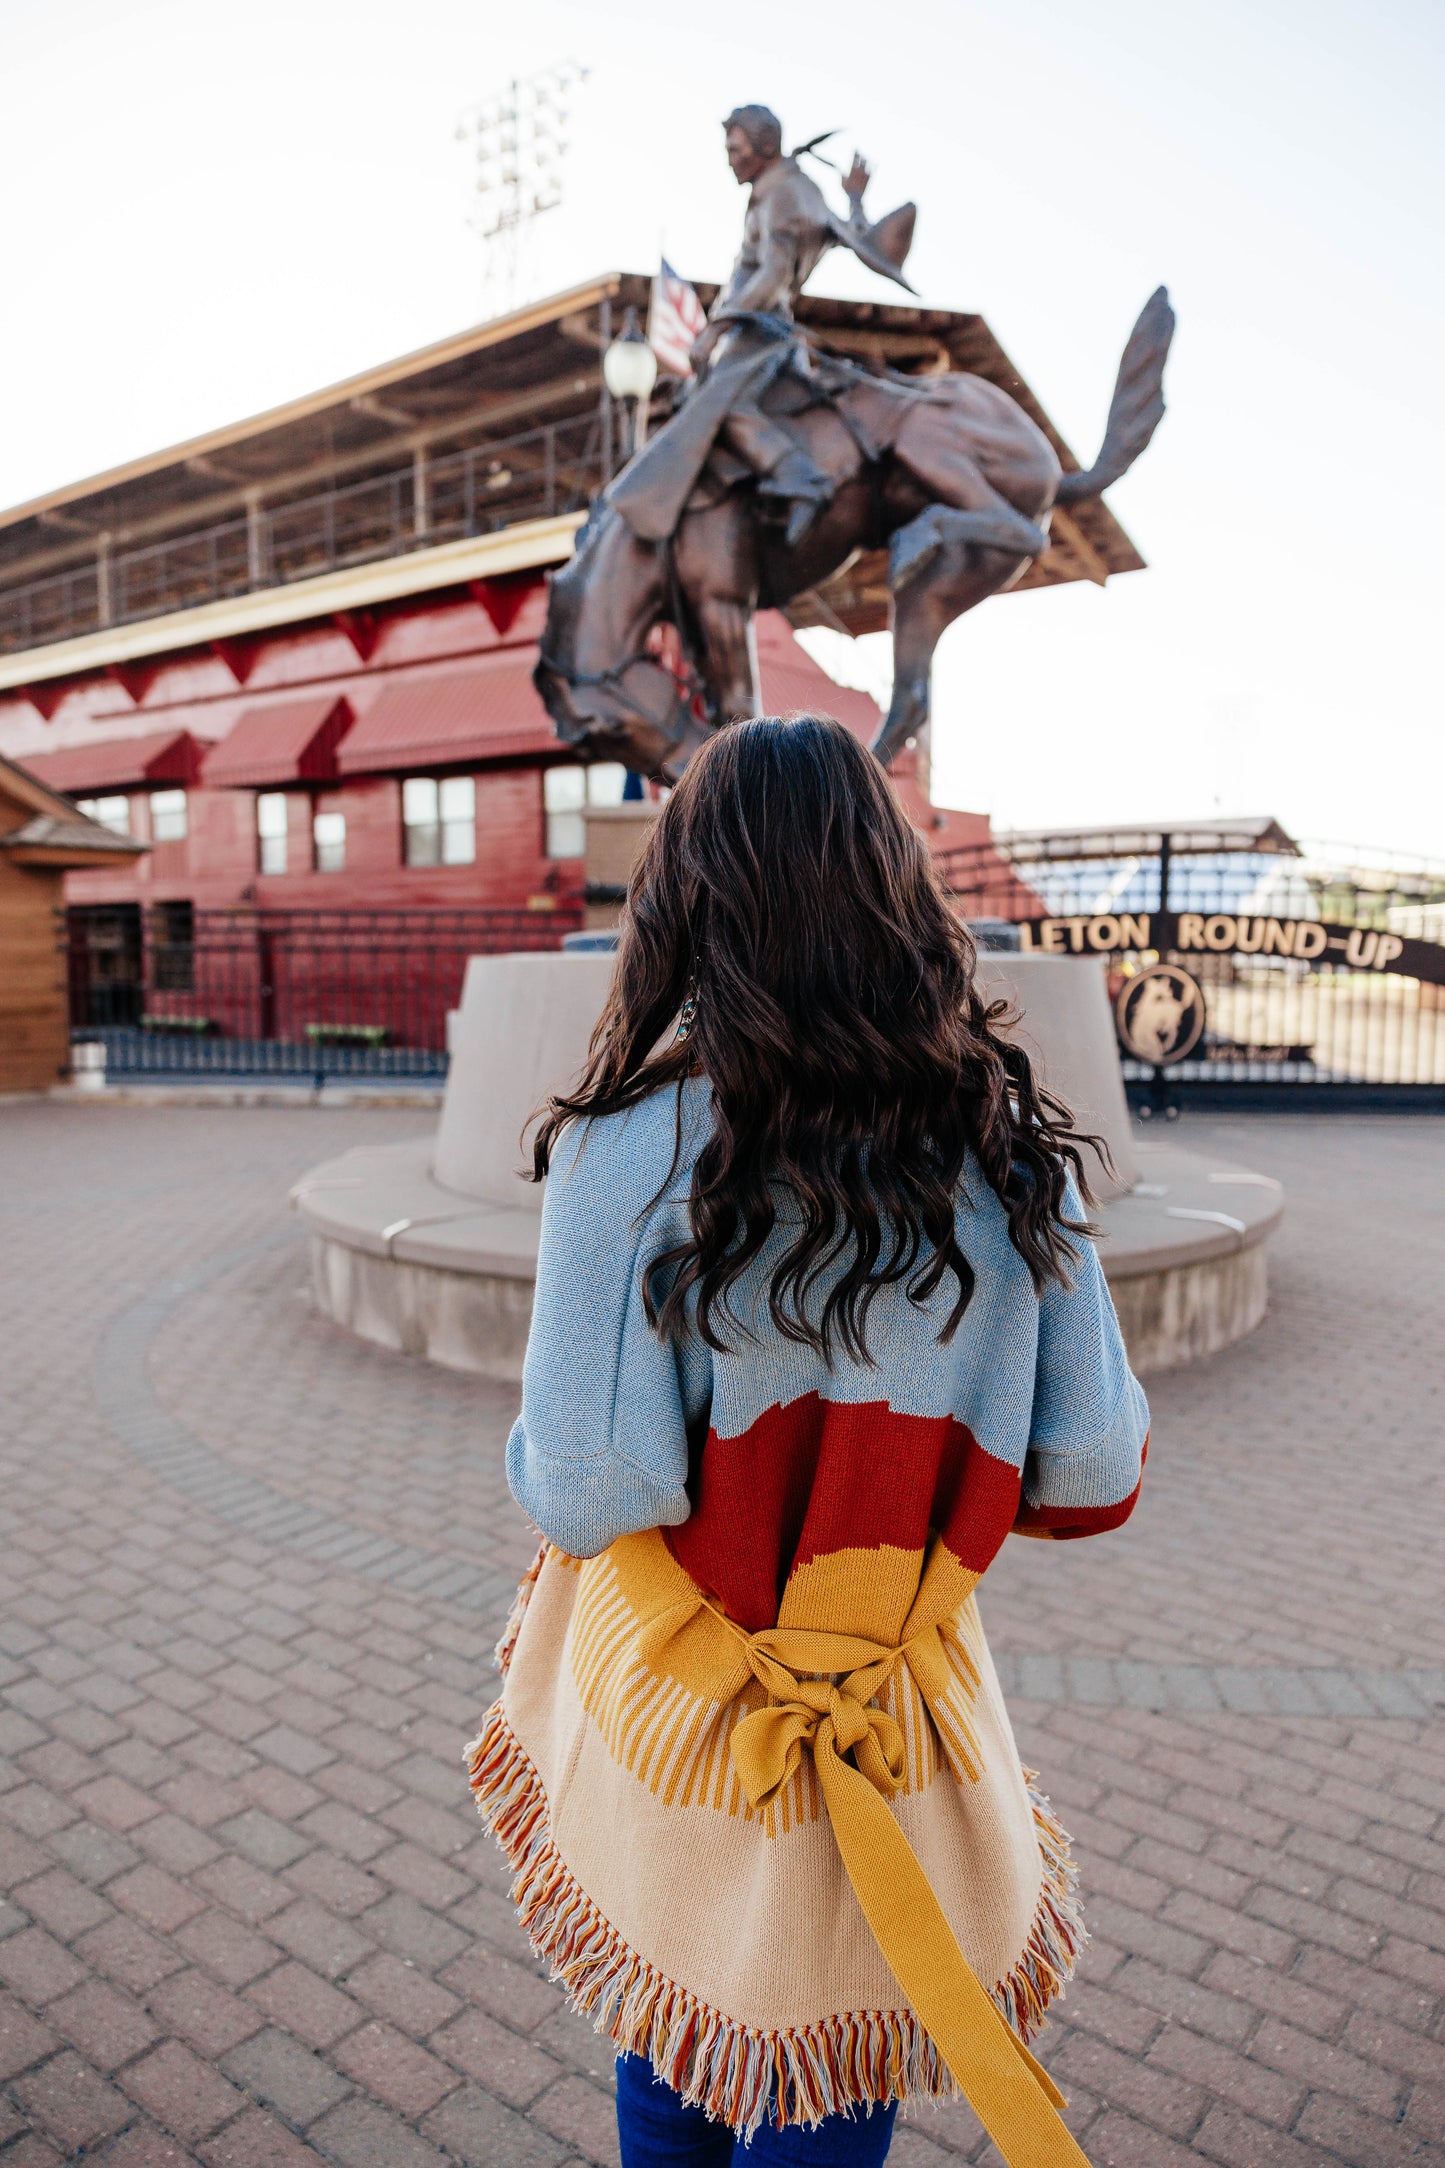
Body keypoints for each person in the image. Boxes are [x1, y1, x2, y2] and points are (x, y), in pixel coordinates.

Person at [467, 715, 1149, 2167]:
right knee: (837, 2054)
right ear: (891, 886)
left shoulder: (626, 1145)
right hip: (896, 1686)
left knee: (679, 2017)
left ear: (685, 894)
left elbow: (591, 1490)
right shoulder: (1008, 1141)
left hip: (694, 1697)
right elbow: (1091, 1470)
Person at [609, 105, 917, 549]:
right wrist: (852, 198)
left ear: (764, 147)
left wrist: (718, 327)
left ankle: (800, 478)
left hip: (760, 331)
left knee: (719, 406)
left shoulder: (785, 194)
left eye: (735, 149)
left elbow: (773, 275)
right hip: (753, 327)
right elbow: (846, 232)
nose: (729, 159)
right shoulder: (782, 189)